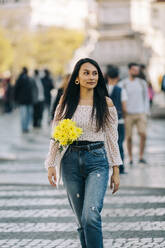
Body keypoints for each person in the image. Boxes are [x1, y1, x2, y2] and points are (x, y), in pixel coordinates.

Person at [45, 58, 122, 248]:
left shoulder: (106, 103)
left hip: (97, 160)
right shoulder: (66, 102)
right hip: (70, 161)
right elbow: (57, 134)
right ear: (77, 77)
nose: (91, 77)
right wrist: (51, 163)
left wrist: (116, 169)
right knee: (81, 221)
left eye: (95, 73)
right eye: (86, 73)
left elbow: (112, 139)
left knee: (90, 216)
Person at [119, 62, 150, 165]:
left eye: (137, 70)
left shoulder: (142, 83)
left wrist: (146, 111)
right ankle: (131, 158)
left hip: (140, 113)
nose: (136, 72)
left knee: (143, 134)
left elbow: (146, 98)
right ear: (129, 71)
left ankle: (141, 156)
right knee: (129, 137)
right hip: (128, 114)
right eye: (134, 70)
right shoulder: (123, 84)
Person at [106, 65, 127, 174]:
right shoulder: (121, 90)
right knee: (119, 144)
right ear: (118, 77)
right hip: (119, 121)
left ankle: (107, 164)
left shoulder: (102, 89)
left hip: (105, 122)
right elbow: (124, 107)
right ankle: (120, 167)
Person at [14, 67, 34, 133]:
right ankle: (24, 127)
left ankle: (24, 127)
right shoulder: (26, 79)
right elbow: (17, 90)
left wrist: (16, 99)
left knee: (25, 114)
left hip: (24, 100)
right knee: (26, 114)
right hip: (25, 100)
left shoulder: (23, 79)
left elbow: (16, 90)